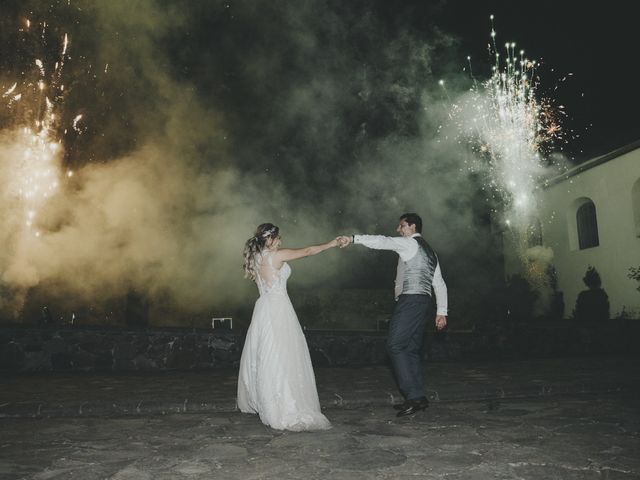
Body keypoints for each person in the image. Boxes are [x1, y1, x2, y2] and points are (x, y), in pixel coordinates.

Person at [338, 213, 448, 417]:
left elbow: (383, 241)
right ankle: (418, 397)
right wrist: (441, 311)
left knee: (395, 346)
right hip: (424, 301)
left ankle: (413, 397)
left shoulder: (409, 244)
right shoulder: (430, 251)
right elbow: (439, 283)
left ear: (412, 227)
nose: (399, 230)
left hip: (411, 300)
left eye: (402, 226)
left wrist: (353, 239)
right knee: (411, 349)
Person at [237, 223, 338, 431]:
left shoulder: (255, 258)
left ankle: (271, 400)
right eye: (278, 238)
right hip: (278, 307)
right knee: (283, 354)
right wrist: (331, 243)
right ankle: (284, 405)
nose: (281, 242)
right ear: (271, 239)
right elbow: (309, 251)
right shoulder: (276, 255)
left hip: (263, 307)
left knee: (268, 354)